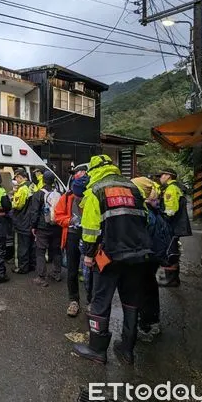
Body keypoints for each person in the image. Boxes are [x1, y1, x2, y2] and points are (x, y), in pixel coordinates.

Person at [71, 155, 151, 365]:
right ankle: (127, 350)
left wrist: (89, 255)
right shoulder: (134, 189)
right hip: (137, 255)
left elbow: (90, 230)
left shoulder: (95, 191)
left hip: (108, 257)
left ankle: (97, 349)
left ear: (95, 169)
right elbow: (147, 220)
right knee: (131, 302)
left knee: (100, 302)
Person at [131, 177, 172, 342]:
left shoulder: (145, 211)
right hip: (154, 258)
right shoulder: (153, 207)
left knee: (144, 291)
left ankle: (147, 327)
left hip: (146, 259)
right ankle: (152, 323)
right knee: (150, 289)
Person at [55, 174, 89, 316]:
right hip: (72, 235)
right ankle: (73, 301)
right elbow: (58, 215)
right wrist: (70, 221)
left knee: (91, 272)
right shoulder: (67, 197)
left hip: (89, 236)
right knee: (72, 270)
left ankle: (92, 301)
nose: (78, 198)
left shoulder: (92, 198)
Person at [158, 168, 192, 287]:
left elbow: (171, 210)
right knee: (172, 249)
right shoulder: (175, 187)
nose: (160, 178)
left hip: (172, 225)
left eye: (161, 175)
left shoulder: (171, 189)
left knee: (170, 251)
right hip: (176, 225)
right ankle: (172, 277)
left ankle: (171, 279)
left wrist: (163, 221)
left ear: (168, 176)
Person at [30, 171, 62, 287]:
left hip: (43, 227)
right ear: (54, 181)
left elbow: (34, 212)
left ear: (43, 181)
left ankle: (41, 277)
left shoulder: (38, 194)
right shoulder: (59, 193)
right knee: (56, 250)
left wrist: (33, 226)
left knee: (40, 251)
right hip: (57, 227)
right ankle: (56, 273)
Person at [11, 168, 36, 275]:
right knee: (31, 244)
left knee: (21, 246)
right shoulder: (33, 186)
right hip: (32, 220)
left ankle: (21, 267)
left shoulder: (22, 189)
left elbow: (17, 205)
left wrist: (12, 198)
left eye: (16, 178)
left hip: (22, 221)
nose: (16, 180)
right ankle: (32, 265)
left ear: (20, 177)